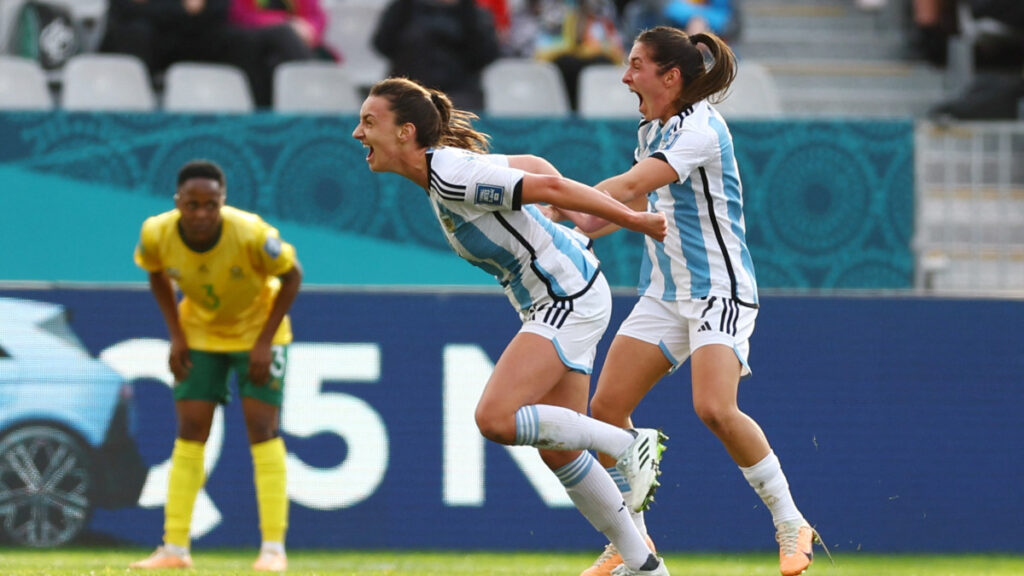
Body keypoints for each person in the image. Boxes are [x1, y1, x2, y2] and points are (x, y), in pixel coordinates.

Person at [352, 76, 670, 576]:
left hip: (566, 296)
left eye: (369, 122)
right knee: (560, 452)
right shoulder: (447, 171)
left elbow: (551, 184)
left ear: (405, 132)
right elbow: (538, 169)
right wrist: (552, 215)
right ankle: (644, 565)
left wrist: (633, 221)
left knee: (495, 418)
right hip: (564, 293)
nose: (358, 133)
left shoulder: (451, 174)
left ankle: (627, 444)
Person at [544, 26, 819, 576]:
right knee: (605, 412)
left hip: (721, 289)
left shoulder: (701, 129)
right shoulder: (652, 129)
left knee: (714, 408)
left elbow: (625, 187)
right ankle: (632, 544)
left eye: (636, 65)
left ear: (671, 77)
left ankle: (791, 521)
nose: (626, 77)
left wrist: (550, 197)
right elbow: (617, 213)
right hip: (665, 295)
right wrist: (560, 223)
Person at [130, 160, 302, 572]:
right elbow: (155, 273)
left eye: (212, 204)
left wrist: (263, 342)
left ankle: (273, 549)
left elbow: (292, 276)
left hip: (260, 335)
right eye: (193, 204)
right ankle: (174, 548)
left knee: (262, 428)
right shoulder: (156, 232)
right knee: (190, 431)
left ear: (223, 202)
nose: (203, 213)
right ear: (178, 203)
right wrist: (175, 334)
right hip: (200, 336)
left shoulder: (252, 233)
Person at [100, 0, 315, 107]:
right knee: (136, 33)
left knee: (257, 40)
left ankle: (264, 117)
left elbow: (217, 10)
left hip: (197, 36)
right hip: (150, 39)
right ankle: (135, 117)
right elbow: (124, 10)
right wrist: (183, 9)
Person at [372, 0, 501, 111]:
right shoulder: (404, 10)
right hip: (408, 93)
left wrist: (466, 10)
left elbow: (486, 54)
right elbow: (382, 43)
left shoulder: (474, 14)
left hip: (459, 96)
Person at [229, 0, 341, 62]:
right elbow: (241, 16)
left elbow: (317, 16)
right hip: (261, 46)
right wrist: (288, 24)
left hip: (303, 44)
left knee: (327, 59)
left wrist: (310, 30)